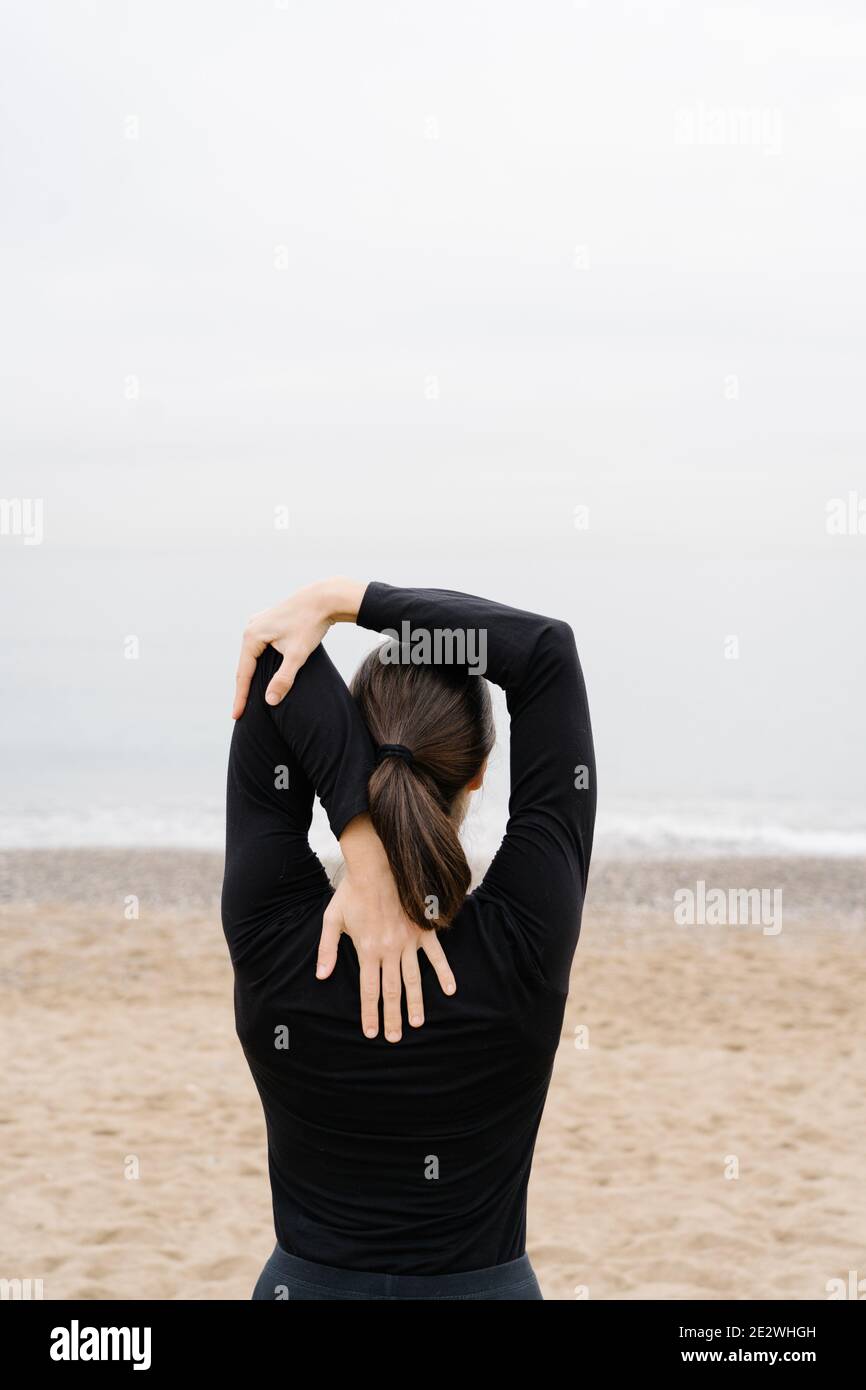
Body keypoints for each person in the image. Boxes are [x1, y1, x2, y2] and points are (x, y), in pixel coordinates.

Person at [222, 577, 596, 1300]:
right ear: (481, 772)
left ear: (334, 758)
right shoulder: (528, 935)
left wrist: (361, 837)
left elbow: (277, 661)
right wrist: (345, 598)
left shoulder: (269, 926)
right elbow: (545, 654)